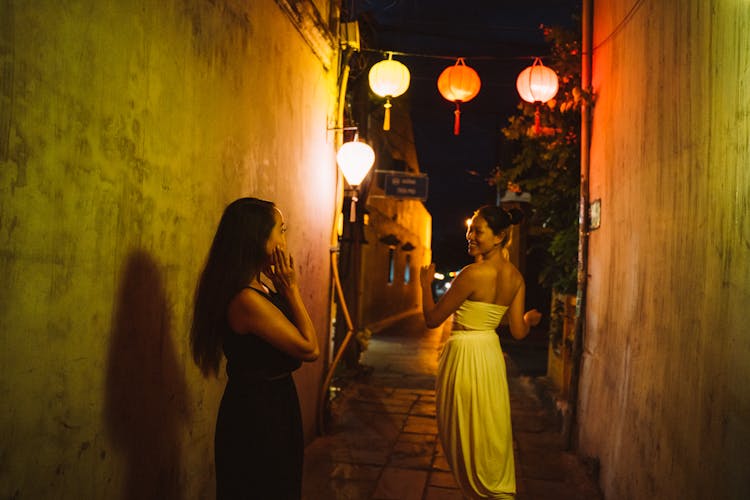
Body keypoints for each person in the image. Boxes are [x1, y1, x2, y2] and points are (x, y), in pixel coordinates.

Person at [190, 197, 319, 500]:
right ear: (258, 238)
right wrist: (293, 291)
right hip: (258, 415)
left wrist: (283, 290)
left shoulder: (260, 286)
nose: (285, 240)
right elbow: (309, 347)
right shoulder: (246, 300)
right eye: (281, 230)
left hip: (274, 403)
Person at [420, 205, 542, 499]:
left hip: (464, 356)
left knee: (463, 437)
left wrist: (425, 285)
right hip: (490, 357)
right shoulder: (516, 279)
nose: (469, 235)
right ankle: (493, 490)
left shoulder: (471, 274)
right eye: (470, 228)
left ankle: (477, 491)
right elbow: (517, 331)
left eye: (477, 230)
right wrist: (528, 319)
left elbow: (432, 319)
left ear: (499, 237)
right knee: (489, 431)